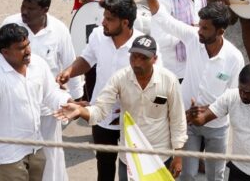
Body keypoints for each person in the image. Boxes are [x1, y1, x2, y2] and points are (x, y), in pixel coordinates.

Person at [143, 2, 244, 181]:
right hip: (186, 121)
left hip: (217, 126)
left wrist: (206, 114)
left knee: (216, 175)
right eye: (200, 25)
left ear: (220, 31)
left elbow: (234, 97)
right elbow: (166, 21)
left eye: (205, 28)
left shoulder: (234, 58)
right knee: (186, 173)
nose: (199, 31)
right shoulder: (193, 38)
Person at [62, 34, 187, 177]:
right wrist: (80, 110)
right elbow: (100, 111)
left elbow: (178, 119)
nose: (137, 63)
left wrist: (178, 156)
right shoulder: (120, 78)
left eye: (143, 58)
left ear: (155, 59)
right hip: (129, 158)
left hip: (159, 157)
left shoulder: (169, 80)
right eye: (134, 57)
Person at [0, 0, 80, 181]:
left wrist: (76, 99)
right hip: (17, 108)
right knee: (15, 156)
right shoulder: (9, 25)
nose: (24, 11)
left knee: (50, 158)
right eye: (23, 6)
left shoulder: (58, 30)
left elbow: (71, 64)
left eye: (30, 8)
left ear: (44, 10)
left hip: (48, 109)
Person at [56, 0, 141, 181]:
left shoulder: (142, 47)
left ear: (125, 23)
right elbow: (87, 59)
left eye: (109, 19)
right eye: (104, 17)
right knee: (104, 166)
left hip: (132, 119)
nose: (103, 22)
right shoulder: (97, 35)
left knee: (133, 169)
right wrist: (70, 71)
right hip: (102, 116)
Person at [0, 22, 71, 181]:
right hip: (7, 155)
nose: (28, 51)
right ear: (5, 52)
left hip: (35, 147)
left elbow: (51, 94)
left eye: (28, 44)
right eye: (21, 48)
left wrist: (68, 102)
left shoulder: (38, 64)